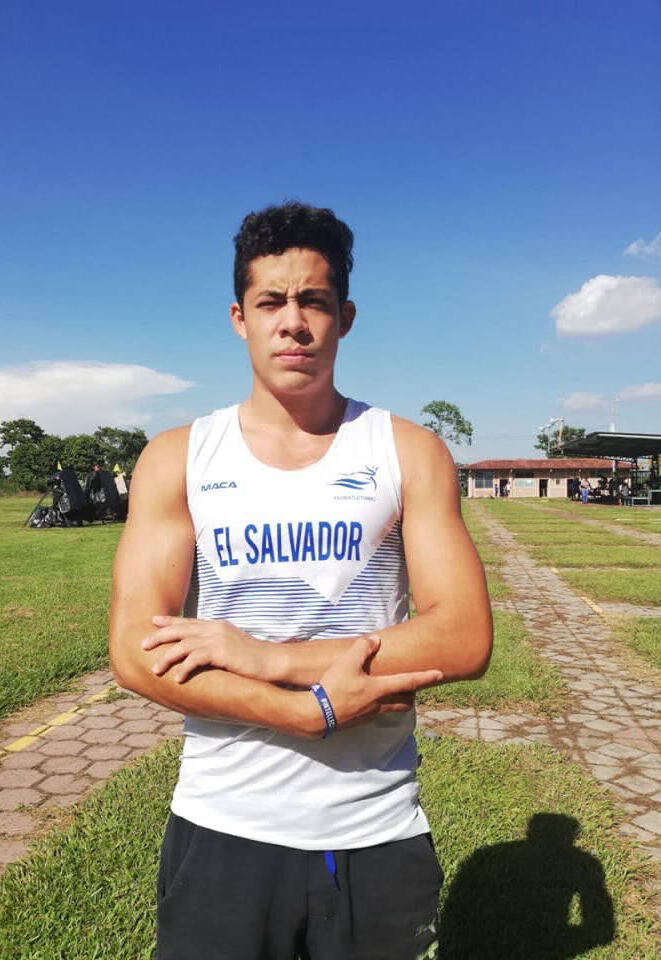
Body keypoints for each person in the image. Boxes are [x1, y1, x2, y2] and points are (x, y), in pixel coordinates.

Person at [109, 202, 493, 960]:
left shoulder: (406, 451)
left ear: (344, 317)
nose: (293, 323)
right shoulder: (179, 458)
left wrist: (267, 657)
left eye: (313, 300)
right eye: (271, 302)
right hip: (222, 822)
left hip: (371, 824)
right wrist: (304, 712)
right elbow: (133, 651)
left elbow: (462, 636)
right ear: (239, 318)